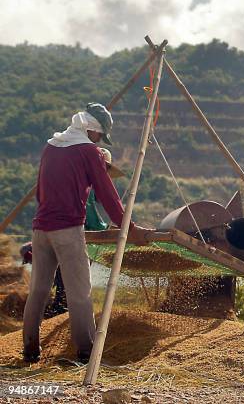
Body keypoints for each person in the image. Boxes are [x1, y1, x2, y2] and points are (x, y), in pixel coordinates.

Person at [22, 103, 150, 364]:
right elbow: (107, 194)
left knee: (38, 290)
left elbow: (39, 193)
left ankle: (30, 350)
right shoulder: (89, 151)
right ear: (91, 129)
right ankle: (86, 352)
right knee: (79, 291)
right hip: (67, 229)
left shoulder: (51, 146)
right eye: (100, 135)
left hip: (40, 228)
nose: (99, 139)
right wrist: (130, 228)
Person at [19, 147, 125, 318]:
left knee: (60, 282)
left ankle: (54, 316)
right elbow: (91, 220)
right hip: (72, 236)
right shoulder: (87, 188)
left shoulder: (77, 182)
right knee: (69, 284)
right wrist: (106, 229)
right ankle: (59, 317)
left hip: (53, 231)